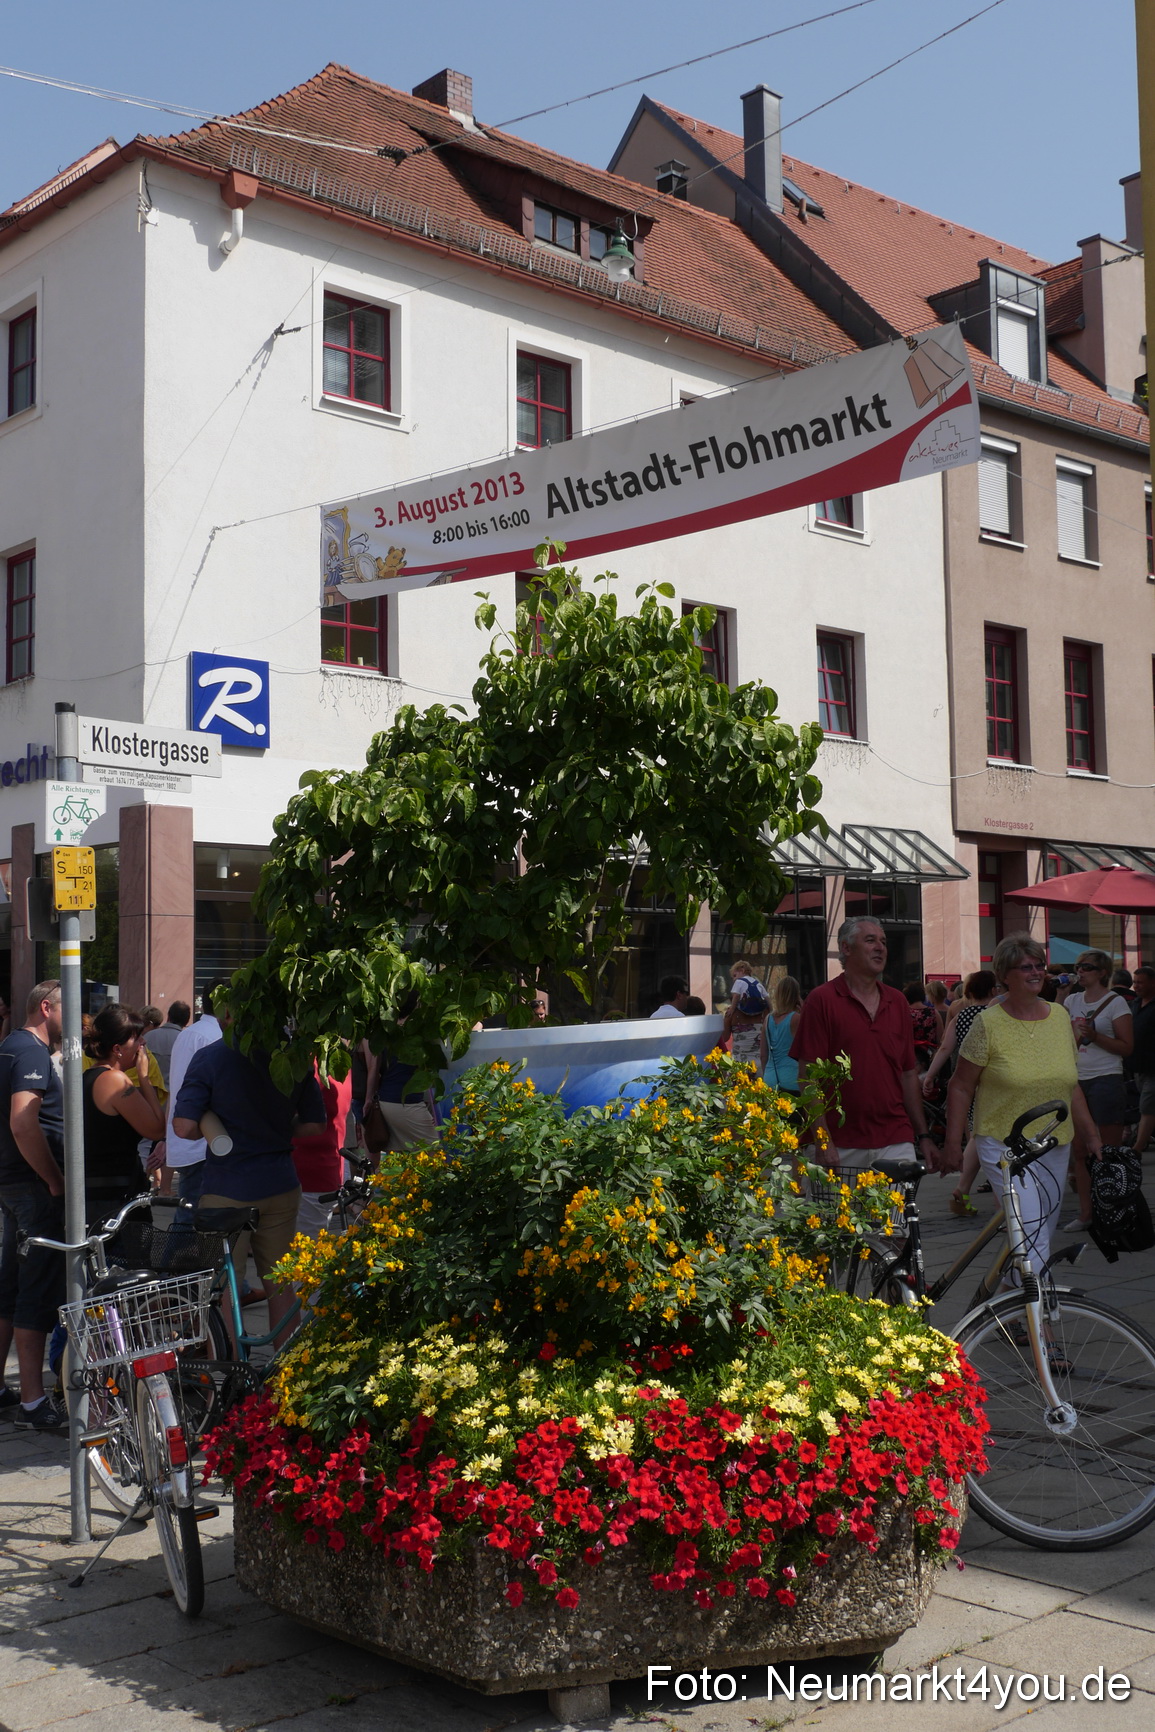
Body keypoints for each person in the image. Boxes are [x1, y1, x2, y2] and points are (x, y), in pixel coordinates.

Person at [945, 933, 1101, 1297]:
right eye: (1025, 966)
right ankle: (1042, 1322)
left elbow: (1071, 1084)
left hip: (1053, 1143)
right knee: (1030, 1229)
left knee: (1040, 1230)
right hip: (1002, 1144)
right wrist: (952, 1143)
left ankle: (1006, 1301)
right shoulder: (988, 1023)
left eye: (1039, 965)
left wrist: (1091, 1136)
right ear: (1004, 975)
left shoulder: (1060, 1017)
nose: (1035, 972)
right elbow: (960, 1085)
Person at [173, 1013, 325, 1340]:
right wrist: (274, 1130)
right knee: (280, 1281)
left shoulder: (211, 1056)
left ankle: (231, 1373)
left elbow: (183, 1127)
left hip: (228, 1189)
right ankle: (285, 1375)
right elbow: (315, 1124)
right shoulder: (293, 1057)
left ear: (229, 1015)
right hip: (280, 1183)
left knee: (222, 1285)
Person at [790, 918, 937, 1170]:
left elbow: (907, 1074)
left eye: (883, 942)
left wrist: (923, 1137)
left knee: (896, 1212)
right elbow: (808, 1079)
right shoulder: (821, 1000)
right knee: (835, 1212)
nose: (880, 947)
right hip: (839, 1142)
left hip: (895, 1139)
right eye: (870, 940)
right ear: (846, 948)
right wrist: (823, 1141)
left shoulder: (898, 1001)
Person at [0, 982, 65, 1430]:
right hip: (29, 1185)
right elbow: (24, 1122)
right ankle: (32, 1401)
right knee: (35, 1289)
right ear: (47, 1008)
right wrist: (54, 1179)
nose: (80, 1018)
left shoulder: (9, 1047)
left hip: (12, 1183)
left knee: (11, 1285)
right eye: (72, 1006)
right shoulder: (31, 1052)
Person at [1063, 951, 1133, 1231]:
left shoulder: (1116, 1003)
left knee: (1108, 1152)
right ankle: (1086, 1213)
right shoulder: (1071, 1000)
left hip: (1106, 1078)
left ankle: (1114, 1211)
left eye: (1087, 967)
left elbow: (1127, 1047)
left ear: (1102, 972)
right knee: (1079, 1150)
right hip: (1076, 1079)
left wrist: (1097, 1037)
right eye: (1078, 967)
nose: (1080, 971)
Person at [921, 970, 999, 1216]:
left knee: (978, 1133)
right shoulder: (997, 1015)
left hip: (966, 1082)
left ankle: (963, 1190)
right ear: (993, 990)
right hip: (994, 1083)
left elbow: (945, 1047)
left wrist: (931, 1075)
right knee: (988, 1135)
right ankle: (987, 1195)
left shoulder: (963, 1015)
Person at [82, 1005, 166, 1224]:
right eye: (137, 1038)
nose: (143, 1043)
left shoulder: (89, 1076)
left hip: (100, 1193)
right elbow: (157, 1128)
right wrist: (144, 1078)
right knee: (125, 1258)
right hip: (115, 1198)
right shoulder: (115, 1080)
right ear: (118, 1048)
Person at [164, 980, 226, 1212]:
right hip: (203, 1142)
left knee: (190, 1215)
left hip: (190, 1139)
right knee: (192, 1219)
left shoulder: (190, 1034)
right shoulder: (213, 1037)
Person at [365, 993, 438, 1151]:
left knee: (398, 1162)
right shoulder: (420, 1030)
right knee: (438, 1155)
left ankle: (372, 1176)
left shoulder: (387, 1028)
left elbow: (374, 1068)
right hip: (407, 1104)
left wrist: (368, 1099)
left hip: (385, 1102)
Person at [292, 1062, 354, 1239]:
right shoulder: (339, 1063)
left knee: (304, 1254)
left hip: (307, 1172)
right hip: (326, 1169)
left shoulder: (307, 1067)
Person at [1129, 964, 1155, 1156]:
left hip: (1153, 1066)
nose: (1136, 986)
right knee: (1145, 1105)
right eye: (1134, 982)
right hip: (1137, 1065)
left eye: (1140, 982)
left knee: (1147, 1107)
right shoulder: (1135, 1004)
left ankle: (1138, 1148)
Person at [723, 959, 769, 1063]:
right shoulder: (765, 1013)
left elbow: (724, 1038)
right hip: (761, 1062)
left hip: (740, 1065)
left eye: (734, 976)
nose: (734, 980)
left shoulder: (731, 1013)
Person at [761, 976, 801, 1096]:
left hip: (769, 1078)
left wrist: (767, 1076)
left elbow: (763, 1055)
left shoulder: (768, 1019)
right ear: (796, 995)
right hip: (792, 1078)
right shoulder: (796, 1018)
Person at [144, 1000, 192, 1090]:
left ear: (168, 1016)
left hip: (150, 1092)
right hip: (175, 1093)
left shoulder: (147, 1037)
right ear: (187, 1021)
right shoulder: (186, 1040)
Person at [904, 982, 941, 1072]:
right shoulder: (934, 1013)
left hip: (909, 1056)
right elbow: (941, 1037)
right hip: (930, 1055)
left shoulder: (904, 1013)